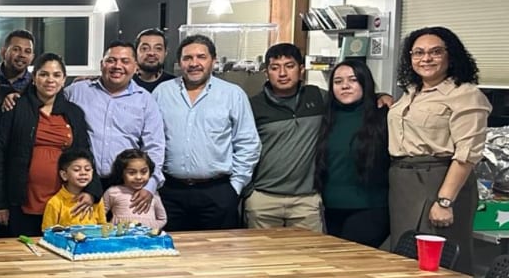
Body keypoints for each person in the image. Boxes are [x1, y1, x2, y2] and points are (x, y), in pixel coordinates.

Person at [388, 26, 490, 278]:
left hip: (439, 181)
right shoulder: (411, 92)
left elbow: (466, 154)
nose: (426, 58)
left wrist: (445, 202)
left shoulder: (465, 95)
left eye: (435, 52)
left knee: (441, 265)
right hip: (403, 184)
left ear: (450, 55)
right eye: (418, 53)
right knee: (405, 261)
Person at [152, 35, 260, 232]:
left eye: (201, 57)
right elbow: (151, 140)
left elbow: (248, 143)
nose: (194, 63)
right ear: (179, 63)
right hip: (170, 192)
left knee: (218, 249)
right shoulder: (162, 92)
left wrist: (235, 186)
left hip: (218, 192)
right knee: (172, 248)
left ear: (214, 60)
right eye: (187, 58)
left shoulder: (233, 94)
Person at [0, 53, 100, 237]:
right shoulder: (15, 107)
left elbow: (86, 156)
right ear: (34, 78)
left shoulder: (74, 113)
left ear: (63, 80)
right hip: (23, 200)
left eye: (56, 75)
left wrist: (91, 192)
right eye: (44, 74)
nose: (50, 80)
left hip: (65, 202)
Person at [64, 41, 166, 216]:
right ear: (101, 64)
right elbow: (46, 102)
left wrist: (150, 185)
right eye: (111, 60)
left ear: (135, 67)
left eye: (125, 61)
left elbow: (154, 147)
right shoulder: (76, 92)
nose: (117, 66)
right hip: (82, 186)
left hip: (128, 189)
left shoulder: (145, 100)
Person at [245, 44, 325, 232]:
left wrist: (381, 96)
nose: (282, 73)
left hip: (306, 200)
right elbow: (238, 147)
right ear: (266, 73)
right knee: (262, 251)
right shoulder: (253, 105)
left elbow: (350, 100)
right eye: (275, 68)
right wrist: (248, 191)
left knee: (310, 251)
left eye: (289, 66)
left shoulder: (317, 97)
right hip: (263, 199)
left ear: (301, 70)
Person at [315, 59, 389, 248]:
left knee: (350, 258)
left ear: (365, 82)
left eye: (353, 80)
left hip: (370, 208)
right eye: (338, 81)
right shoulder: (326, 116)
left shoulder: (383, 115)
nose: (345, 86)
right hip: (331, 208)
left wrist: (383, 96)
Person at [42, 148, 108, 230]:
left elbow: (102, 226)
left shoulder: (96, 200)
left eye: (87, 169)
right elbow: (47, 231)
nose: (83, 173)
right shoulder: (55, 203)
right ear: (64, 175)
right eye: (77, 170)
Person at [104, 149, 168, 230]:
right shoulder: (112, 192)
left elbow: (162, 218)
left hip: (147, 236)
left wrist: (151, 227)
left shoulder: (153, 194)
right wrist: (111, 229)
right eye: (131, 173)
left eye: (144, 172)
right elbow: (100, 214)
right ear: (121, 173)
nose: (138, 177)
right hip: (119, 236)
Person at [133, 28, 177, 93]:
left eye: (158, 48)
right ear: (135, 52)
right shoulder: (125, 82)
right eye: (145, 48)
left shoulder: (175, 85)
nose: (151, 53)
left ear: (165, 53)